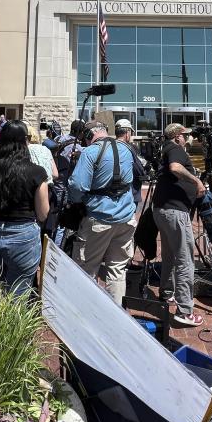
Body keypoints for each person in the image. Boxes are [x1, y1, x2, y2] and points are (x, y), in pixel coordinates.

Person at [0, 120, 50, 296]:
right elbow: (43, 213)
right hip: (23, 234)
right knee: (18, 292)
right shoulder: (36, 172)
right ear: (25, 140)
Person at [68, 121, 137, 303]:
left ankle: (86, 311)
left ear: (89, 136)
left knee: (87, 268)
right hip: (126, 218)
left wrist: (77, 202)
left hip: (98, 219)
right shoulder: (127, 149)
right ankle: (116, 313)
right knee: (117, 270)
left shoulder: (90, 153)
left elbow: (77, 186)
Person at [152, 123, 206, 327]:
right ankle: (185, 310)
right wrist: (197, 181)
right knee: (185, 259)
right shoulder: (175, 148)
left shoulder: (166, 148)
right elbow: (175, 168)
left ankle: (166, 293)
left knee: (170, 256)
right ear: (176, 137)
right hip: (174, 211)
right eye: (185, 135)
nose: (188, 138)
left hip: (162, 210)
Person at [115, 118, 146, 208]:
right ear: (127, 132)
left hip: (114, 192)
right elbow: (138, 169)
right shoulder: (129, 148)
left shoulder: (110, 146)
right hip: (129, 193)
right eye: (131, 132)